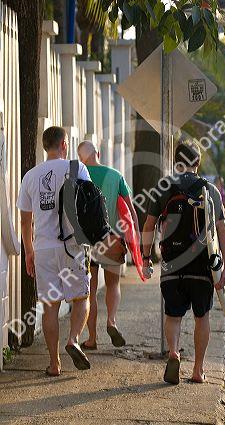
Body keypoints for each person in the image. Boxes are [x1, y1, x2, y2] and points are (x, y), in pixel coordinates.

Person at [142, 141, 225, 385]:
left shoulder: (163, 188)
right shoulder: (210, 190)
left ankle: (173, 352)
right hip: (202, 266)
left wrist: (145, 258)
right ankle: (198, 370)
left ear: (175, 161)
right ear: (198, 163)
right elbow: (222, 232)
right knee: (202, 317)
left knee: (173, 315)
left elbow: (149, 227)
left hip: (171, 263)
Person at [17, 126, 92, 377]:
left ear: (44, 146)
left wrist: (29, 252)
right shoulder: (76, 168)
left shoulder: (30, 176)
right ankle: (73, 339)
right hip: (72, 246)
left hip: (43, 249)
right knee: (81, 297)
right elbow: (90, 204)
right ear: (64, 144)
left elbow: (25, 222)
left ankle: (54, 363)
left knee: (50, 307)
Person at [78, 141, 140, 350]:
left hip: (86, 243)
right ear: (98, 153)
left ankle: (92, 338)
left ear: (80, 158)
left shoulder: (77, 176)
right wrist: (136, 240)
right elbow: (131, 212)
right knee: (113, 284)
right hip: (112, 240)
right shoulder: (115, 175)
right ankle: (111, 321)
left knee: (91, 291)